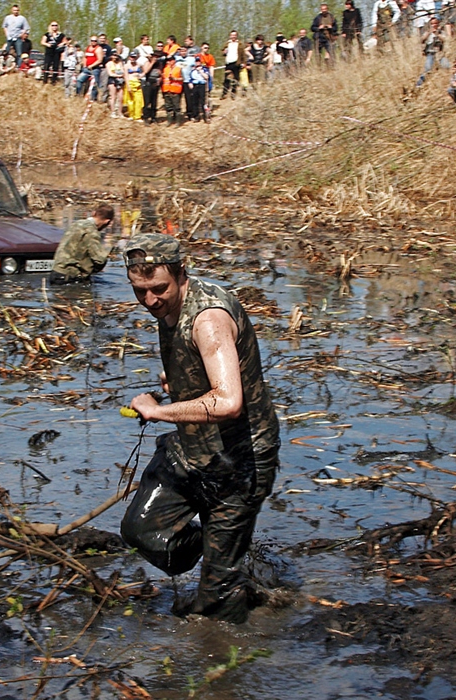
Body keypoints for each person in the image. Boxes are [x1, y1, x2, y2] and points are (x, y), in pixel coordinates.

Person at [120, 233, 280, 624]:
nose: (150, 300)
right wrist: (180, 381)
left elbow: (228, 402)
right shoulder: (168, 309)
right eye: (140, 291)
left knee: (216, 605)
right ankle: (224, 560)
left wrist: (159, 411)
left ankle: (224, 629)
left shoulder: (208, 319)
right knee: (141, 530)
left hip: (243, 457)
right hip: (193, 447)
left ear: (181, 274)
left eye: (159, 289)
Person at [49, 204, 115, 284]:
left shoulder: (76, 224)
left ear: (93, 213)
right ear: (107, 222)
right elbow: (100, 260)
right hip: (70, 276)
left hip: (56, 271)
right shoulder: (91, 231)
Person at [141, 40, 165, 122]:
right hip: (148, 82)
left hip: (156, 82)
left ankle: (153, 117)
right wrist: (152, 63)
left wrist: (160, 75)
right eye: (155, 56)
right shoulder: (147, 62)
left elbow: (162, 74)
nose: (156, 58)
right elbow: (146, 71)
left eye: (157, 57)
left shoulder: (160, 64)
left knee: (154, 101)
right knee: (147, 101)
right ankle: (146, 117)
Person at [416, 17, 444, 85]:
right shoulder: (428, 32)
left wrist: (437, 34)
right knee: (427, 69)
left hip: (439, 54)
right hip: (430, 53)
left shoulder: (441, 31)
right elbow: (422, 40)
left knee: (445, 67)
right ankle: (419, 84)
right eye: (432, 24)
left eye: (435, 23)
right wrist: (429, 33)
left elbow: (444, 39)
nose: (433, 25)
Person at [161, 54, 184, 125]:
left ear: (174, 61)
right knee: (168, 107)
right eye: (168, 61)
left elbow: (183, 78)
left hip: (175, 90)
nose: (169, 62)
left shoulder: (179, 69)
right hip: (166, 90)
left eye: (170, 60)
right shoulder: (165, 69)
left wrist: (175, 79)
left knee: (177, 107)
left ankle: (178, 122)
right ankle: (169, 121)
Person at [187, 55, 209, 121]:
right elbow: (190, 78)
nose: (197, 63)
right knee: (194, 102)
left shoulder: (204, 69)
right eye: (196, 62)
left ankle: (205, 116)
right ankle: (196, 116)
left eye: (198, 61)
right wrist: (190, 83)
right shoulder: (193, 70)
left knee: (203, 102)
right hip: (195, 86)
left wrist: (200, 71)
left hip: (202, 86)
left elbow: (206, 77)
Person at [123, 51, 144, 119]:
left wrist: (140, 75)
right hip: (130, 83)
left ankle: (137, 116)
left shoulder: (139, 64)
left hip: (137, 84)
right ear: (129, 57)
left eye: (134, 57)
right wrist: (128, 86)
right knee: (130, 101)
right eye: (131, 57)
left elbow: (144, 71)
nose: (133, 58)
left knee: (138, 100)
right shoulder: (126, 66)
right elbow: (125, 76)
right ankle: (131, 115)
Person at [222, 30, 242, 98]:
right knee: (226, 79)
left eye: (234, 35)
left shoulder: (239, 44)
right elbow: (223, 52)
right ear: (230, 36)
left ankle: (233, 93)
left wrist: (243, 63)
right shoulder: (227, 43)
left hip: (236, 62)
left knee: (236, 78)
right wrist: (224, 52)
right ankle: (224, 93)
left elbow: (243, 54)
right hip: (228, 62)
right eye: (232, 35)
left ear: (236, 36)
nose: (233, 36)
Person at [106, 51, 125, 117]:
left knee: (121, 97)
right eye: (113, 55)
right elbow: (110, 73)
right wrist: (118, 75)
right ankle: (113, 112)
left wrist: (120, 75)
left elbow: (123, 71)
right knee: (113, 96)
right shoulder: (109, 64)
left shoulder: (120, 63)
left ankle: (120, 112)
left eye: (116, 55)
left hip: (120, 80)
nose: (115, 57)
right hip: (112, 80)